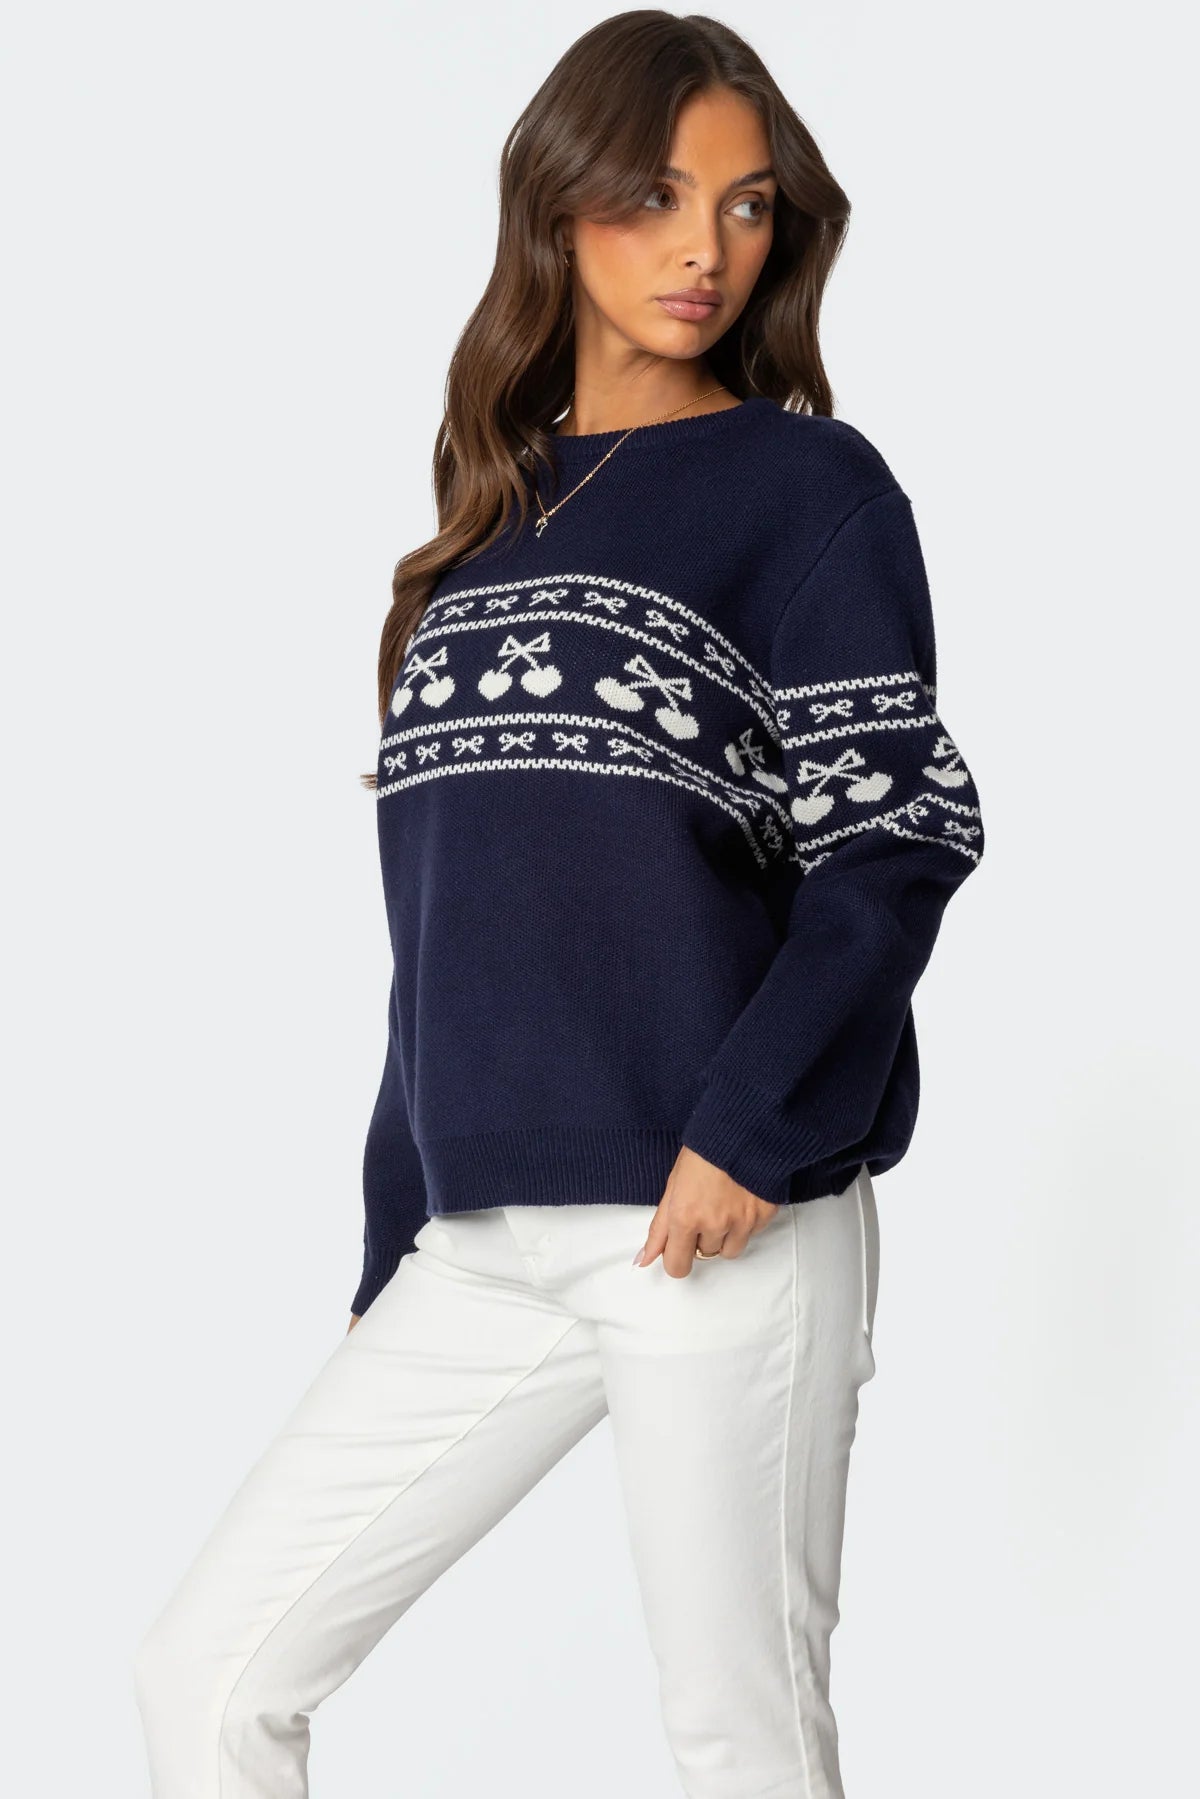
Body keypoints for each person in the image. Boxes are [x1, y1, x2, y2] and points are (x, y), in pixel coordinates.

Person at [132, 13, 984, 1797]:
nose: (705, 247)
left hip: (716, 1215)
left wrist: (748, 1132)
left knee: (740, 1745)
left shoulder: (808, 489)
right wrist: (393, 1231)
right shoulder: (477, 540)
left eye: (746, 204)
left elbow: (892, 840)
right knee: (210, 1681)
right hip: (485, 1231)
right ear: (557, 203)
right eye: (655, 195)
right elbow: (441, 924)